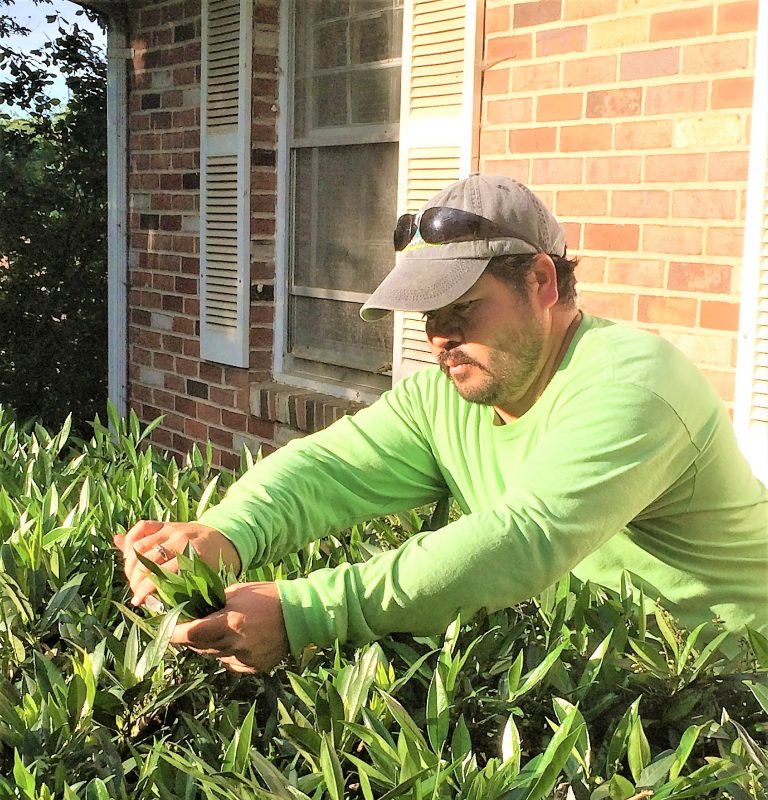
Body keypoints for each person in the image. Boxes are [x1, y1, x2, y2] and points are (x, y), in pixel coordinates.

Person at [115, 174, 768, 673]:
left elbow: (524, 537)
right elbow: (330, 468)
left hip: (725, 695)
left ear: (542, 281)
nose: (439, 339)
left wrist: (303, 612)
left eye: (461, 309)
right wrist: (228, 534)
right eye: (426, 317)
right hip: (593, 682)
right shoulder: (451, 396)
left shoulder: (632, 381)